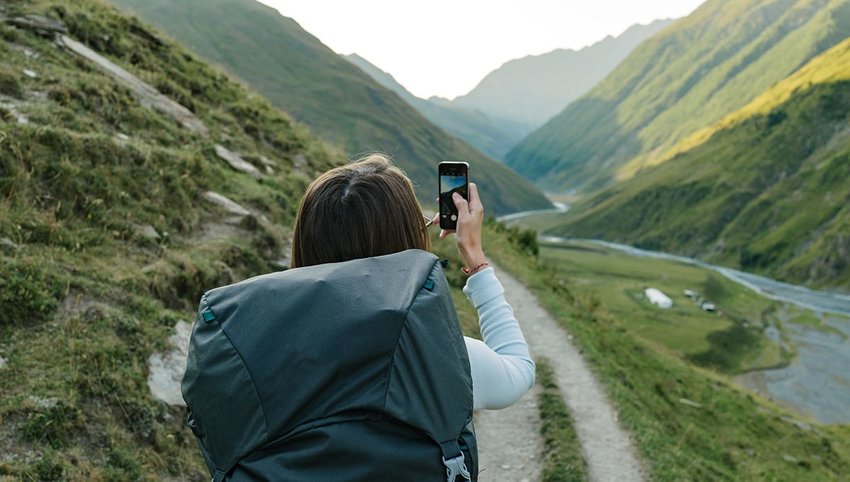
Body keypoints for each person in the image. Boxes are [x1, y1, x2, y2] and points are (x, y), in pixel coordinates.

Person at [290, 154, 535, 410]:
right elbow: (520, 370)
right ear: (406, 244)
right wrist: (476, 261)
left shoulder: (267, 346)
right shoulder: (439, 355)